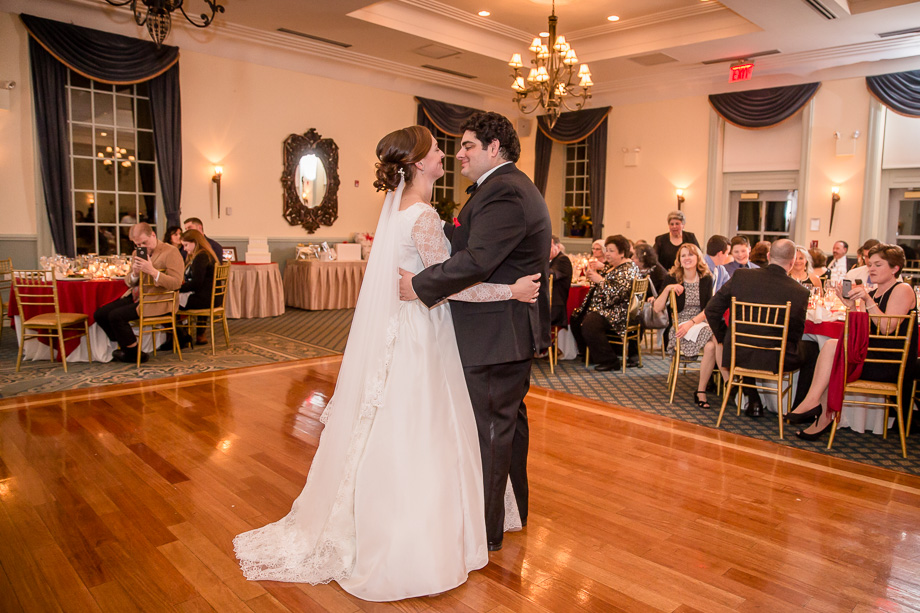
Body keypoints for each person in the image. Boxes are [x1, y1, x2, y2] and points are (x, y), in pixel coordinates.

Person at [234, 125, 540, 600]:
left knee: (392, 427)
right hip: (423, 336)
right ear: (419, 164)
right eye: (440, 150)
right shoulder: (421, 217)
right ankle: (414, 535)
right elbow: (456, 283)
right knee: (424, 430)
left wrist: (424, 285)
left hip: (408, 332)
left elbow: (439, 277)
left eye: (456, 147)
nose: (448, 156)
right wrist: (512, 290)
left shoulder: (400, 212)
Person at [399, 112, 551, 553]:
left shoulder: (505, 191)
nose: (459, 153)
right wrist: (421, 224)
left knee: (489, 432)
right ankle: (510, 511)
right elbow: (468, 243)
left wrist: (419, 285)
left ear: (494, 149)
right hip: (499, 331)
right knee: (506, 427)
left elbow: (477, 261)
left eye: (468, 145)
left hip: (497, 334)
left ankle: (486, 533)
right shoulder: (501, 189)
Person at [787, 244, 918, 440]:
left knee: (832, 348)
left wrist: (867, 300)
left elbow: (886, 328)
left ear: (895, 268)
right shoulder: (874, 293)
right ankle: (819, 411)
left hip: (889, 362)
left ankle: (817, 408)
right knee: (833, 350)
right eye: (870, 264)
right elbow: (862, 329)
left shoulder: (903, 289)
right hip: (872, 356)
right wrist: (849, 305)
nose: (871, 268)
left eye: (878, 265)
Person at [704, 239, 819, 418]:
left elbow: (711, 310)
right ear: (792, 261)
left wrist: (725, 338)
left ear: (768, 256)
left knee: (750, 341)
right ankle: (798, 408)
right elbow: (795, 334)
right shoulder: (799, 292)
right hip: (776, 356)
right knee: (814, 349)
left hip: (739, 351)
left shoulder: (742, 277)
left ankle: (753, 398)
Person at [94, 223, 184, 363]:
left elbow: (176, 283)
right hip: (138, 296)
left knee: (116, 316)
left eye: (144, 242)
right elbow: (128, 282)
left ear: (153, 235)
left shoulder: (171, 252)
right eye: (137, 244)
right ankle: (128, 345)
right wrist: (135, 273)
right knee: (100, 314)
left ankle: (132, 352)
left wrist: (152, 271)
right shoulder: (137, 253)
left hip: (159, 299)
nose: (141, 247)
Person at [653, 243, 717, 408]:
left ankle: (701, 390)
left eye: (691, 255)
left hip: (699, 322)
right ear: (679, 260)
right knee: (717, 338)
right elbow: (657, 308)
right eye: (683, 256)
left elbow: (708, 309)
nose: (687, 258)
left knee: (711, 347)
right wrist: (668, 289)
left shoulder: (706, 279)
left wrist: (692, 323)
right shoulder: (672, 278)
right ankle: (727, 377)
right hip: (679, 324)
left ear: (698, 258)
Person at [571, 235, 640, 372]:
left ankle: (609, 360)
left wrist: (600, 281)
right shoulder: (617, 266)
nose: (607, 253)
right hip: (609, 307)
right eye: (606, 250)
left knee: (590, 322)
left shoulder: (627, 269)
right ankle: (590, 354)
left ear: (622, 253)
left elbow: (618, 295)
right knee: (576, 316)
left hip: (619, 311)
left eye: (611, 251)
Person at [160, 229, 220, 350]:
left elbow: (196, 284)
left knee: (165, 304)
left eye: (186, 245)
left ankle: (178, 336)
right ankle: (180, 335)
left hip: (203, 298)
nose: (185, 249)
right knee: (170, 301)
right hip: (211, 297)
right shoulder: (206, 254)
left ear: (195, 242)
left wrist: (177, 287)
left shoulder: (201, 257)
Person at [549, 235, 572, 328]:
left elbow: (551, 275)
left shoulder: (563, 259)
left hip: (555, 307)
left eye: (549, 246)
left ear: (557, 246)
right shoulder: (552, 261)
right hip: (547, 305)